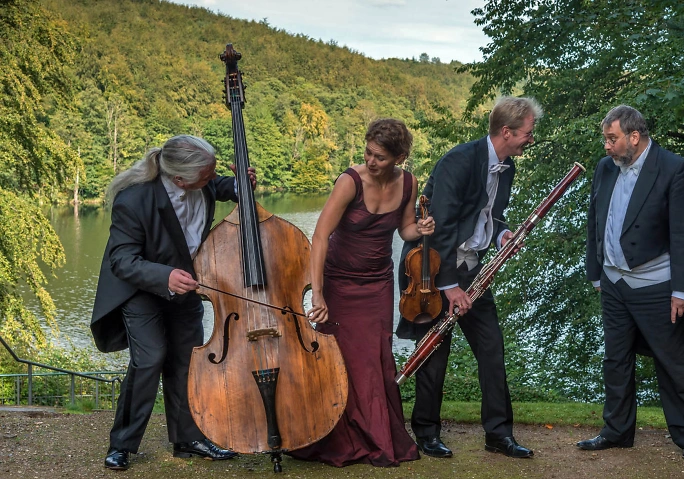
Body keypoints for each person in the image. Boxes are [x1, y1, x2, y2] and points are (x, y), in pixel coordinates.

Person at [90, 135, 256, 470]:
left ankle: (188, 439)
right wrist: (164, 276)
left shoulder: (202, 184)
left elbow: (222, 186)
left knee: (187, 362)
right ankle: (121, 444)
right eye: (208, 175)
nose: (214, 179)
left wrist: (242, 185)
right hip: (141, 290)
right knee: (150, 359)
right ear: (180, 179)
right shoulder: (134, 200)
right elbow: (121, 260)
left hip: (185, 290)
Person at [396, 96, 542, 459]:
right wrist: (449, 287)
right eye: (528, 132)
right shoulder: (459, 161)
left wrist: (502, 234)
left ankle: (499, 435)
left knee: (492, 350)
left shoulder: (507, 166)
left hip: (471, 268)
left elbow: (491, 215)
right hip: (429, 270)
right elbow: (440, 227)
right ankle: (427, 432)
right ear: (506, 132)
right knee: (434, 353)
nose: (531, 139)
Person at [290, 119, 433, 467]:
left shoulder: (409, 183)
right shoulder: (349, 181)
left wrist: (421, 227)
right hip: (339, 282)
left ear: (399, 158)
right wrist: (317, 294)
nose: (371, 161)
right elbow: (320, 236)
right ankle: (333, 433)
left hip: (378, 283)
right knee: (339, 358)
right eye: (368, 153)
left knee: (375, 357)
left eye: (380, 157)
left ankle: (376, 436)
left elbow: (405, 229)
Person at [580, 105, 684, 461]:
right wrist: (596, 272)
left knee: (674, 362)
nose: (606, 146)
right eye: (605, 139)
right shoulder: (606, 168)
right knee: (615, 360)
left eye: (612, 139)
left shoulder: (675, 169)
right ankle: (617, 431)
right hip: (613, 284)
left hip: (658, 287)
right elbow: (596, 220)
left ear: (634, 137)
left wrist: (682, 290)